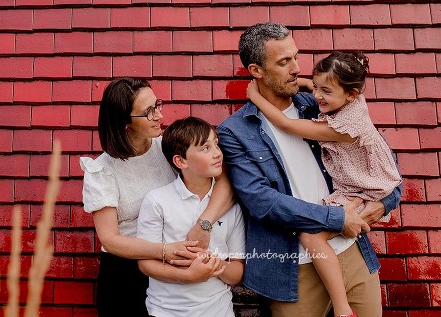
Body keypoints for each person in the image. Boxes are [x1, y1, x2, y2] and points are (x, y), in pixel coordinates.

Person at [217, 23, 402, 317]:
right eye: (283, 62)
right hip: (292, 269)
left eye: (296, 57)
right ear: (256, 71)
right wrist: (337, 217)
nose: (295, 68)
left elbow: (379, 159)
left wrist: (383, 203)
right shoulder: (235, 131)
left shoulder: (322, 104)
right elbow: (261, 201)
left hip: (351, 251)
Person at [80, 78, 234, 317]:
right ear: (124, 123)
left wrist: (205, 223)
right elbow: (110, 239)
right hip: (126, 273)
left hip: (172, 271)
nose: (159, 115)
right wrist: (164, 250)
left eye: (157, 105)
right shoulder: (102, 171)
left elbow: (224, 181)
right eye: (148, 112)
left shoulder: (167, 149)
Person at [137, 117, 245, 317]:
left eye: (216, 144)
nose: (217, 153)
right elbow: (146, 264)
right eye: (205, 148)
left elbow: (237, 273)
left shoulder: (230, 206)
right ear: (180, 161)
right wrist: (187, 276)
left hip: (218, 311)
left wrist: (216, 265)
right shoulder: (156, 201)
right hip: (165, 312)